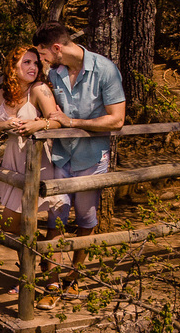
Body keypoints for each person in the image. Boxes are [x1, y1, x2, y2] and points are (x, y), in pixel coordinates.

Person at [31, 21, 126, 307]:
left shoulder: (105, 70)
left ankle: (75, 276)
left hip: (91, 158)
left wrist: (73, 122)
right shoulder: (54, 74)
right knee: (55, 218)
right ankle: (51, 283)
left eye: (43, 54)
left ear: (56, 48)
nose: (42, 60)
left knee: (86, 219)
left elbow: (117, 120)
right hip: (61, 156)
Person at [0, 45, 71, 293]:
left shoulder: (39, 89)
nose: (33, 67)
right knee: (10, 225)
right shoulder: (2, 94)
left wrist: (38, 124)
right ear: (13, 66)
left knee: (47, 223)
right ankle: (39, 259)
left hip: (39, 161)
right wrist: (4, 125)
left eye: (36, 63)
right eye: (26, 62)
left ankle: (45, 280)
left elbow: (58, 120)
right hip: (13, 163)